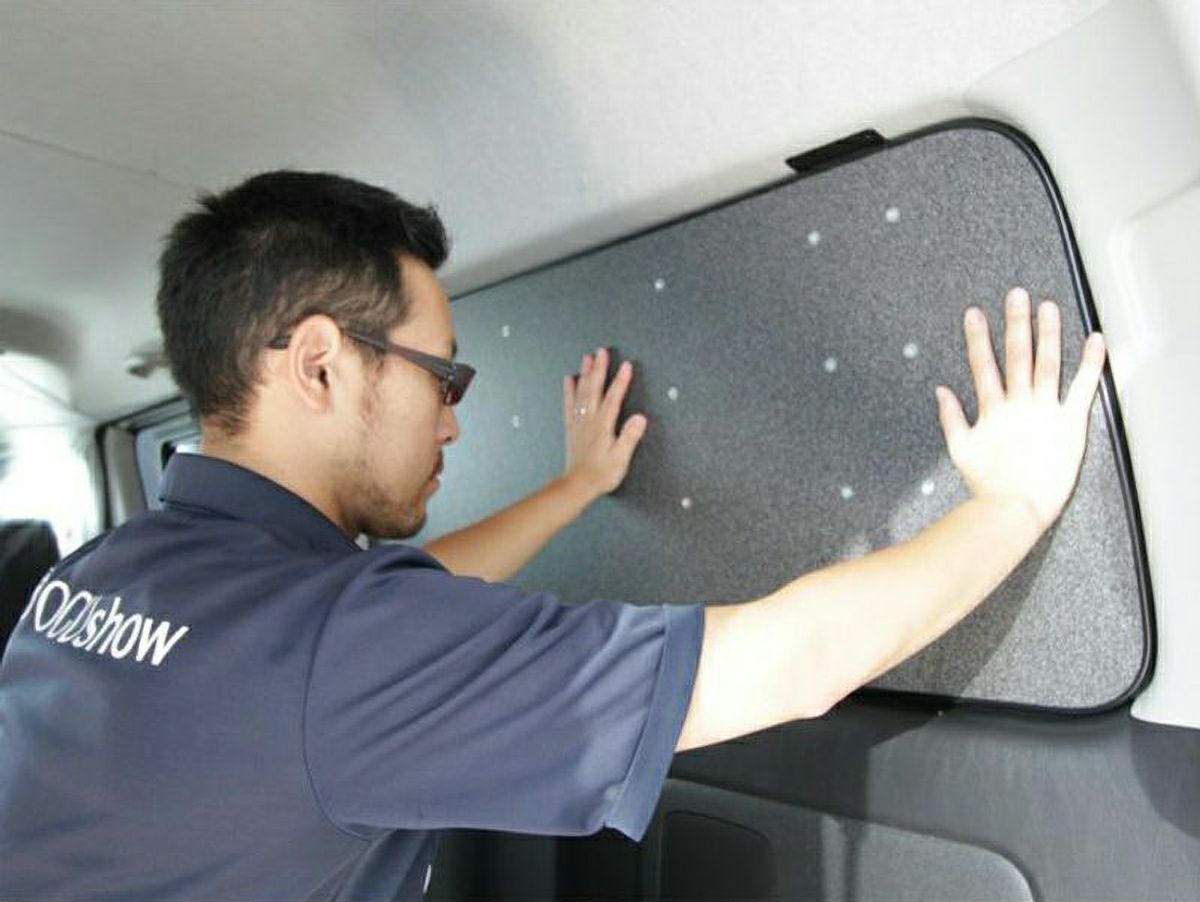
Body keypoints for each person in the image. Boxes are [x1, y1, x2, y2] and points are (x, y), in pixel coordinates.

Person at [0, 170, 1107, 901]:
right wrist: (1011, 504)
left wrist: (576, 488)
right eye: (441, 376)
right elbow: (791, 662)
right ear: (322, 364)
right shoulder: (338, 651)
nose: (452, 418)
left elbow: (371, 617)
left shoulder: (103, 572)